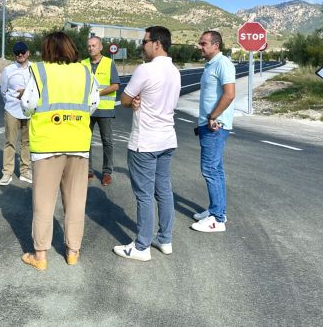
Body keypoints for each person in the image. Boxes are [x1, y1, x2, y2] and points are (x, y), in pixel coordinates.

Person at [19, 31, 99, 270]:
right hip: (78, 143)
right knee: (76, 201)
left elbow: (28, 105)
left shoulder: (39, 71)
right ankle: (73, 252)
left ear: (47, 49)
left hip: (47, 145)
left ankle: (40, 257)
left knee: (43, 202)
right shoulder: (85, 71)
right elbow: (92, 104)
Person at [113, 26, 181, 262]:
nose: (142, 45)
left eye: (145, 41)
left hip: (145, 142)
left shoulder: (145, 69)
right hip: (167, 138)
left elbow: (124, 99)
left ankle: (142, 246)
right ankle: (165, 239)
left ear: (157, 44)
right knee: (163, 190)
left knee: (144, 195)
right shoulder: (175, 71)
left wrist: (133, 101)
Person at [191, 30, 235, 233]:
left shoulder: (222, 63)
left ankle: (217, 219)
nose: (200, 46)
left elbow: (230, 94)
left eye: (204, 43)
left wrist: (213, 117)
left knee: (209, 169)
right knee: (215, 169)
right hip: (208, 125)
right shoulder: (211, 64)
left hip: (215, 126)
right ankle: (216, 210)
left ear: (216, 45)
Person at [82, 36, 120, 186]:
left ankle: (107, 172)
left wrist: (96, 93)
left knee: (107, 141)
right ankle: (88, 170)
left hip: (104, 110)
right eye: (89, 46)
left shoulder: (109, 63)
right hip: (87, 110)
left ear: (100, 47)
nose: (91, 48)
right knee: (85, 141)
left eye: (94, 45)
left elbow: (115, 85)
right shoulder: (82, 64)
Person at [0, 41, 32, 186]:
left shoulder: (35, 69)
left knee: (27, 143)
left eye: (22, 52)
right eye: (17, 53)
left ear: (28, 53)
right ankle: (7, 173)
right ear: (14, 55)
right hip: (12, 110)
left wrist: (27, 96)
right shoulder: (8, 70)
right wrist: (12, 101)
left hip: (30, 111)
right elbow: (3, 92)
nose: (20, 55)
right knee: (10, 142)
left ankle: (25, 172)